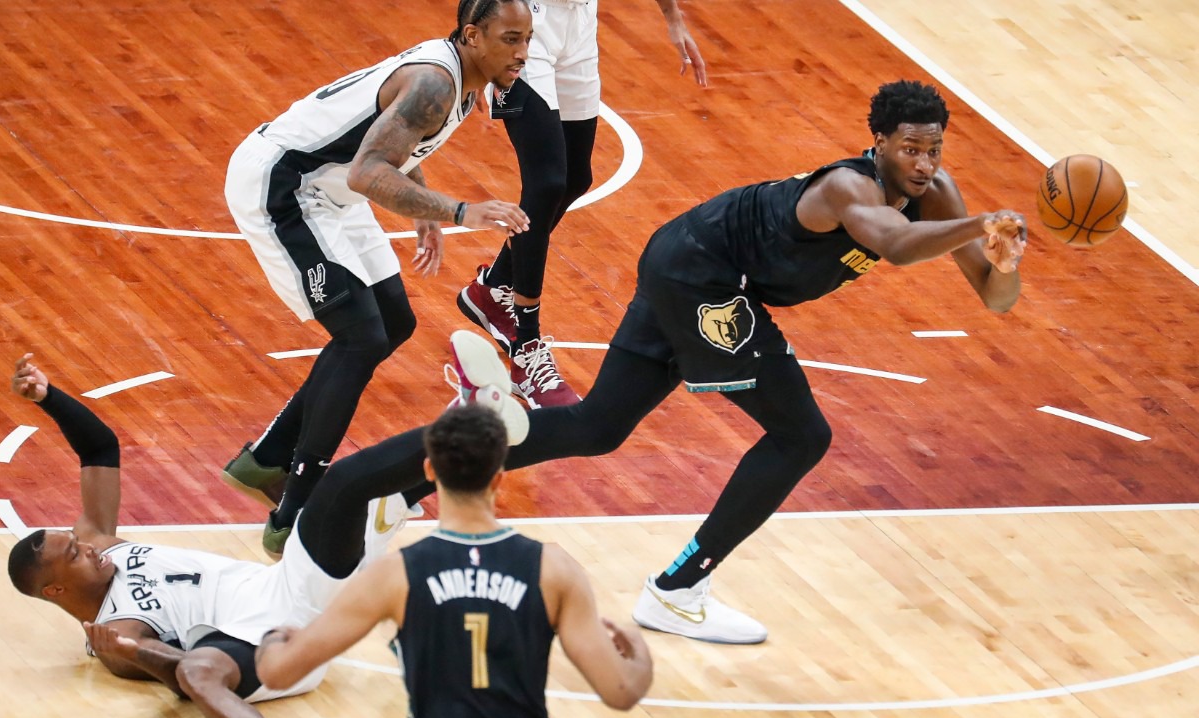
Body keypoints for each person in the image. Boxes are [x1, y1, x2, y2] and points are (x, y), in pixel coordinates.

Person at [312, 80, 1029, 645]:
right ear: (879, 142)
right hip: (706, 277)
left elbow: (997, 301)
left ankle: (404, 485)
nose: (925, 163)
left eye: (933, 149)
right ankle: (679, 587)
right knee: (801, 434)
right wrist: (977, 223)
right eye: (910, 148)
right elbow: (898, 245)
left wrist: (1003, 259)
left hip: (690, 262)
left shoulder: (939, 193)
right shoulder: (849, 187)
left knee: (597, 426)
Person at [5, 353, 414, 718]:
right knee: (199, 668)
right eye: (75, 554)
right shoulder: (115, 632)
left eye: (77, 540)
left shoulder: (101, 545)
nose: (87, 545)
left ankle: (478, 421)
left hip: (289, 585)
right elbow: (186, 678)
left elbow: (100, 447)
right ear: (57, 588)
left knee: (386, 483)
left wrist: (48, 397)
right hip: (272, 644)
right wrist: (136, 652)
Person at [221, 0, 535, 555]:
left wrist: (422, 207)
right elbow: (370, 171)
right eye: (511, 39)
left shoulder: (461, 79)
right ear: (472, 36)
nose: (522, 53)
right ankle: (294, 511)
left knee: (392, 321)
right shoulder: (435, 83)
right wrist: (457, 210)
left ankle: (265, 457)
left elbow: (391, 145)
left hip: (334, 184)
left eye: (527, 39)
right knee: (359, 334)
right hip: (286, 185)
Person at [255, 401, 652, 718]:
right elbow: (620, 692)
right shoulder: (554, 569)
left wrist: (275, 638)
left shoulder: (397, 575)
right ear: (499, 478)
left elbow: (278, 672)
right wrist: (638, 654)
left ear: (429, 471)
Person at [456, 0, 708, 408]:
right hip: (524, 21)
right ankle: (526, 348)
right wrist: (473, 39)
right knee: (547, 182)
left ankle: (493, 289)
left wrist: (672, 16)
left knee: (575, 178)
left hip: (579, 23)